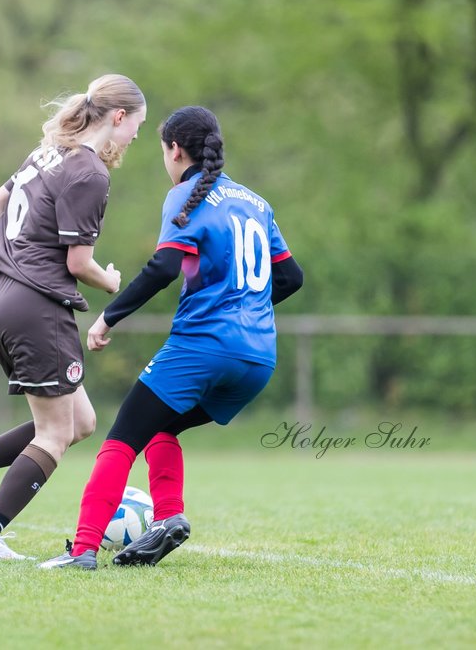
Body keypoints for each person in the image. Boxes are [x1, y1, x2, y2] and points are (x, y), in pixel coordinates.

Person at [38, 105, 304, 570]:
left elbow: (163, 267)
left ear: (175, 150)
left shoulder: (187, 194)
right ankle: (167, 519)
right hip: (259, 357)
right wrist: (245, 311)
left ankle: (81, 551)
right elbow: (291, 278)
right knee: (162, 426)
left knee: (120, 441)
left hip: (202, 347)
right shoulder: (256, 203)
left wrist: (108, 318)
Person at [0, 73, 147, 560]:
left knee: (80, 420)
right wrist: (111, 282)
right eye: (137, 124)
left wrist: (19, 253)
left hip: (5, 297)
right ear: (118, 117)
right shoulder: (90, 171)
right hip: (38, 306)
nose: (136, 135)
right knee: (54, 432)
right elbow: (77, 263)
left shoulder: (47, 153)